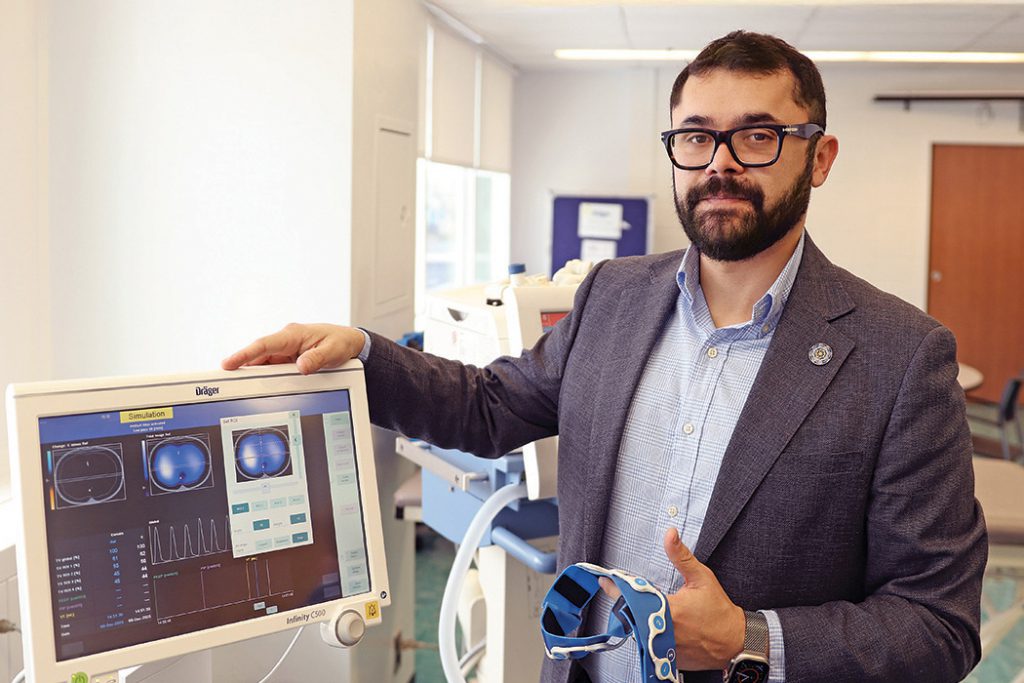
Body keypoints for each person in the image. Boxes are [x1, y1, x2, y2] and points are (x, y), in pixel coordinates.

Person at [223, 30, 986, 683]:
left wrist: (749, 637)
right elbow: (490, 405)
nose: (719, 162)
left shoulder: (900, 357)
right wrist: (361, 350)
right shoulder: (613, 296)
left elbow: (937, 622)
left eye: (757, 135)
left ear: (819, 157)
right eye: (695, 135)